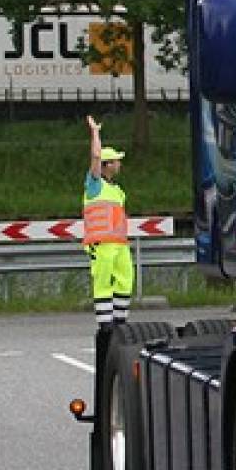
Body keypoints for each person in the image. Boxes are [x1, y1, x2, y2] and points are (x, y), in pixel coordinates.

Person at [84, 116, 133, 323]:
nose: (119, 164)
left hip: (118, 243)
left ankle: (119, 321)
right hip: (102, 244)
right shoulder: (95, 184)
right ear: (107, 165)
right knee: (103, 283)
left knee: (126, 279)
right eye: (116, 161)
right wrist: (95, 133)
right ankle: (105, 325)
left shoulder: (116, 189)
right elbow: (95, 156)